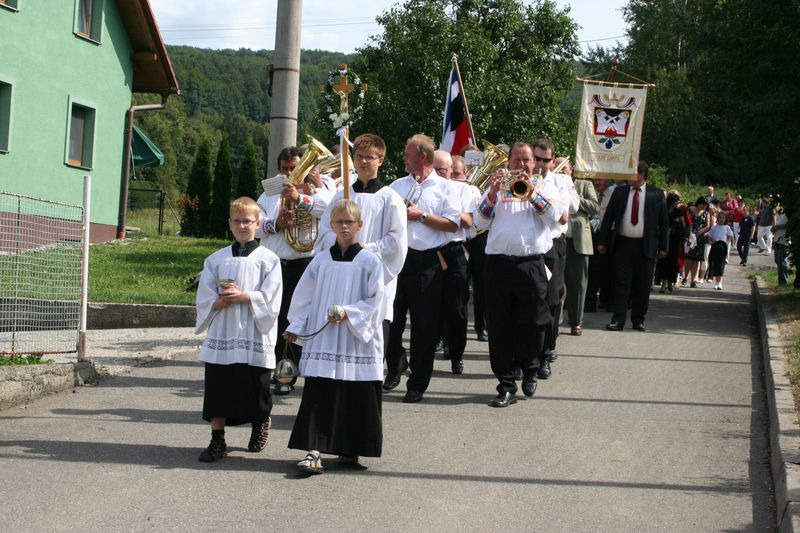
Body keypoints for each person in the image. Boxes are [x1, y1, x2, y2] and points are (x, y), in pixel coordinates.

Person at [285, 200, 385, 474]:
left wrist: (349, 313)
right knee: (320, 391)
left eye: (349, 222)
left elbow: (377, 301)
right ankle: (313, 451)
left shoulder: (369, 261)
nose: (344, 227)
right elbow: (304, 297)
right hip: (325, 337)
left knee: (355, 392)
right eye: (339, 222)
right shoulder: (320, 261)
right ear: (331, 225)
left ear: (359, 225)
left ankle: (349, 449)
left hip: (355, 340)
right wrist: (296, 325)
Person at [475, 141, 565, 407]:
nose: (522, 164)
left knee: (534, 323)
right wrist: (492, 194)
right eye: (517, 159)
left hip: (532, 265)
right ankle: (505, 385)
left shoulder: (546, 186)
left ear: (534, 163)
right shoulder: (496, 185)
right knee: (499, 326)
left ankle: (530, 369)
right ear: (509, 162)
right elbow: (479, 221)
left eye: (527, 160)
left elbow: (555, 217)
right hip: (499, 265)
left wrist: (532, 193)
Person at [194, 197, 283, 463]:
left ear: (257, 223)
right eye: (237, 221)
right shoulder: (216, 259)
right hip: (224, 329)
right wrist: (217, 302)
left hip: (254, 330)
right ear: (230, 224)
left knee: (256, 384)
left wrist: (246, 297)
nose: (242, 226)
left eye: (247, 221)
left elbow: (273, 297)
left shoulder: (269, 259)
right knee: (218, 386)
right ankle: (217, 439)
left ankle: (260, 423)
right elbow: (204, 295)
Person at [315, 133, 408, 367]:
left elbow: (396, 242)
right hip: (341, 278)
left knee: (370, 351)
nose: (363, 162)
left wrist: (364, 251)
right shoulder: (341, 196)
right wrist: (341, 243)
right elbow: (325, 233)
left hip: (374, 279)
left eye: (369, 157)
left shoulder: (390, 199)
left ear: (381, 160)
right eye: (358, 157)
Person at [385, 134, 460, 403]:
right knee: (390, 320)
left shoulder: (445, 187)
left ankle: (417, 382)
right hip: (397, 260)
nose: (404, 157)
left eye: (408, 153)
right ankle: (395, 364)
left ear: (422, 157)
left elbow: (453, 225)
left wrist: (422, 216)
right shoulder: (397, 185)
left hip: (427, 262)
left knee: (423, 326)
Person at [256, 146, 335, 395]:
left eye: (295, 168)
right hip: (275, 263)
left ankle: (289, 372)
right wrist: (275, 224)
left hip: (305, 263)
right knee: (274, 318)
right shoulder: (270, 193)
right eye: (285, 169)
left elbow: (331, 211)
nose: (290, 173)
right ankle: (275, 368)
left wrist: (303, 196)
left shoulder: (319, 190)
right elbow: (253, 225)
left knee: (297, 319)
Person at [598, 161, 668, 331]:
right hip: (623, 244)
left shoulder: (656, 194)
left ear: (642, 175)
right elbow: (608, 217)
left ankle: (638, 319)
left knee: (643, 284)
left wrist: (664, 246)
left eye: (632, 173)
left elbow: (664, 222)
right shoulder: (620, 192)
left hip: (646, 246)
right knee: (621, 283)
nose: (628, 176)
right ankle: (618, 319)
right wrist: (602, 241)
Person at [432, 150, 473, 374]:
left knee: (457, 307)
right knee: (430, 305)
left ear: (450, 170)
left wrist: (448, 214)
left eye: (443, 170)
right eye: (435, 169)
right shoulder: (425, 188)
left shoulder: (462, 189)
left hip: (454, 251)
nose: (439, 173)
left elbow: (468, 222)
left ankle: (456, 354)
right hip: (431, 251)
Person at [540, 148, 579, 375]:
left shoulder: (561, 180)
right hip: (532, 245)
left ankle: (548, 348)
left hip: (554, 244)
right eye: (536, 158)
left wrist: (564, 181)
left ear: (552, 160)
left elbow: (572, 208)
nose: (540, 163)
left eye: (545, 159)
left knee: (553, 297)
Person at [562, 157, 598, 336]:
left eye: (564, 168)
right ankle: (554, 321)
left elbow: (595, 207)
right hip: (556, 241)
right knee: (554, 284)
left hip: (577, 242)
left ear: (571, 169)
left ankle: (576, 321)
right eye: (557, 167)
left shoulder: (584, 184)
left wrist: (574, 197)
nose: (561, 171)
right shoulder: (549, 184)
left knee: (578, 284)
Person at [585, 178, 615, 312]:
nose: (597, 183)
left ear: (607, 180)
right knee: (593, 269)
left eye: (600, 180)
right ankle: (590, 302)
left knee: (608, 269)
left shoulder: (614, 196)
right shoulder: (591, 195)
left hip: (609, 235)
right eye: (595, 180)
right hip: (591, 235)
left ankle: (606, 300)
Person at [655, 191, 689, 293]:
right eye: (676, 201)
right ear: (672, 201)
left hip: (675, 239)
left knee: (673, 261)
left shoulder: (678, 212)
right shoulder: (663, 210)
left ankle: (670, 281)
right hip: (664, 238)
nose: (678, 203)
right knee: (663, 261)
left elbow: (683, 225)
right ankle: (663, 284)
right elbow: (658, 223)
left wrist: (675, 226)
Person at [683, 197, 712, 288]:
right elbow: (685, 221)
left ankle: (693, 280)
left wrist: (700, 231)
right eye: (703, 205)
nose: (704, 207)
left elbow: (708, 226)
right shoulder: (690, 210)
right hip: (690, 237)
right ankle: (685, 276)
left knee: (696, 260)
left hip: (700, 239)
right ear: (698, 203)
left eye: (706, 205)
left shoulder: (706, 213)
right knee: (688, 258)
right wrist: (689, 232)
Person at [706, 211, 735, 290]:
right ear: (717, 218)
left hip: (723, 248)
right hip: (715, 247)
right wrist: (712, 241)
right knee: (714, 264)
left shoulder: (727, 227)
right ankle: (716, 282)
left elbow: (729, 237)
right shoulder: (714, 227)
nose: (721, 219)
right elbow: (710, 236)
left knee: (721, 265)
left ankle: (720, 283)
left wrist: (726, 244)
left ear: (725, 219)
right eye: (720, 217)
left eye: (723, 218)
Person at [772, 202, 791, 285]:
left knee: (782, 261)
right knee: (778, 261)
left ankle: (784, 283)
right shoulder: (782, 213)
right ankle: (781, 282)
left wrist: (778, 227)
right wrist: (774, 228)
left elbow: (790, 225)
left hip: (784, 240)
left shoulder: (790, 213)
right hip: (777, 239)